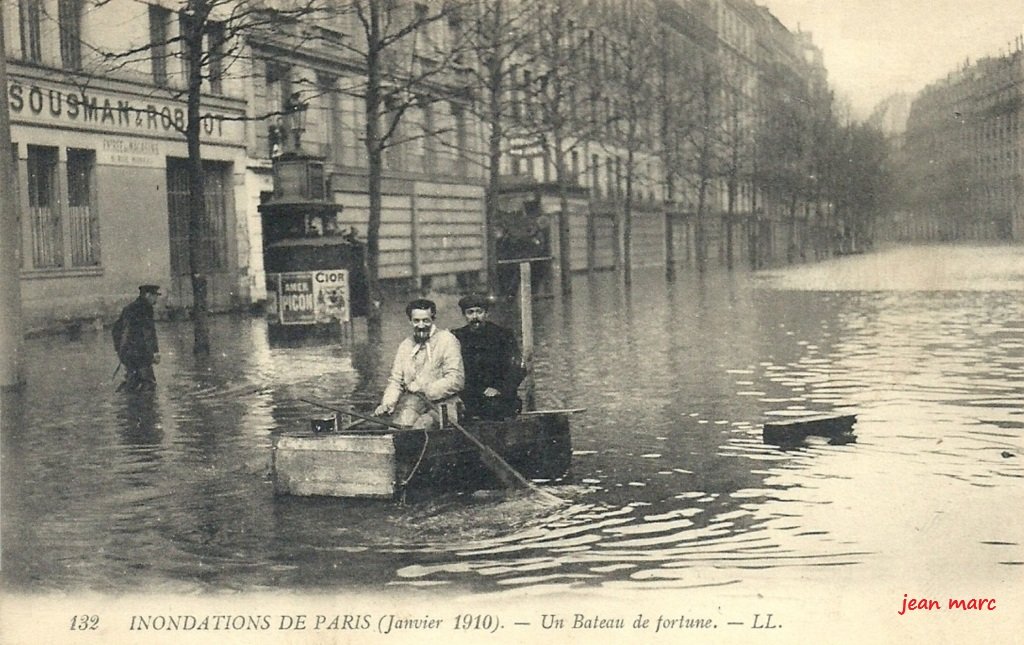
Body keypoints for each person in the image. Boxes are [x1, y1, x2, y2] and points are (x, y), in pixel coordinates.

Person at [374, 299, 464, 429]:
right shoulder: (405, 345)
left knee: (421, 426)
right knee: (396, 428)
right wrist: (387, 404)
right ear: (410, 321)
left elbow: (456, 379)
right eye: (416, 321)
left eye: (426, 320)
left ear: (433, 319)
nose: (421, 325)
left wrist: (424, 388)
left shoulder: (447, 340)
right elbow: (396, 381)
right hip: (415, 403)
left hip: (445, 404)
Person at [452, 294, 525, 420]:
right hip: (470, 396)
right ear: (464, 315)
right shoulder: (457, 337)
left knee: (495, 408)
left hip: (499, 395)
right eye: (470, 313)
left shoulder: (503, 335)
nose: (475, 317)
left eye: (479, 312)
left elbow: (518, 368)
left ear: (487, 314)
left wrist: (499, 388)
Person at [113, 284, 162, 392]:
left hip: (128, 353)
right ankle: (146, 406)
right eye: (155, 296)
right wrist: (155, 353)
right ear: (147, 295)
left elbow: (116, 330)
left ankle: (127, 403)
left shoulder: (129, 308)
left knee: (133, 381)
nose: (156, 299)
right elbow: (148, 334)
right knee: (149, 383)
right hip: (140, 354)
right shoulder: (146, 309)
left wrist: (119, 351)